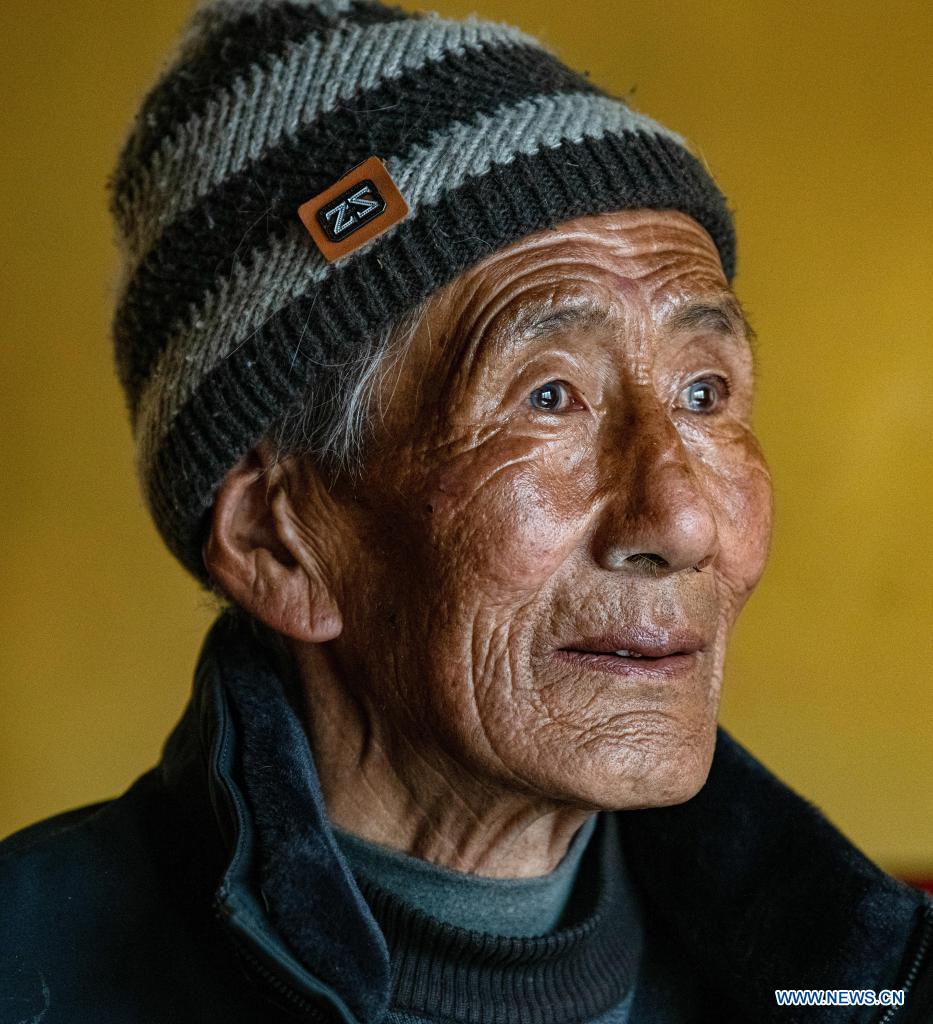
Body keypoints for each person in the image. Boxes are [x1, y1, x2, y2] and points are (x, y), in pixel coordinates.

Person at [1, 1, 930, 1021]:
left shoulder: (863, 977)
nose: (682, 521)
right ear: (280, 540)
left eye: (705, 394)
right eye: (550, 398)